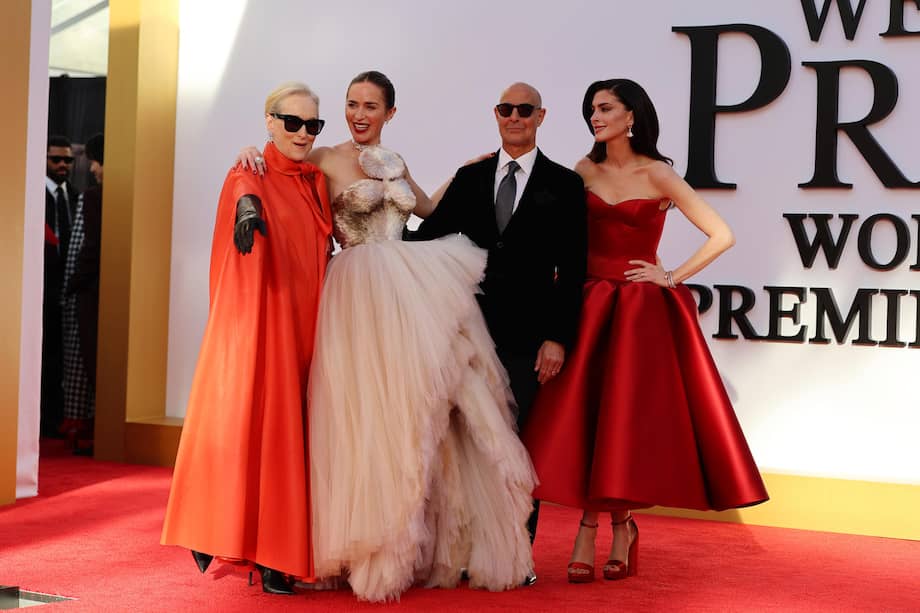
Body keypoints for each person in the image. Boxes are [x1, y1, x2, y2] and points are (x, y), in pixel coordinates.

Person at [239, 71, 537, 602]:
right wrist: (249, 153)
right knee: (361, 415)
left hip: (407, 290)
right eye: (352, 103)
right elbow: (283, 168)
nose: (359, 113)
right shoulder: (324, 155)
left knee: (417, 414)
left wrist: (464, 174)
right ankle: (356, 544)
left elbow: (425, 210)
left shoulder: (395, 161)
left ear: (390, 113)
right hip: (355, 291)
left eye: (371, 106)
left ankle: (414, 541)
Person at [522, 78, 769, 584]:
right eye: (591, 109)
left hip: (637, 313)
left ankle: (602, 530)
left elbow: (722, 234)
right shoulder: (582, 170)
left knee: (623, 425)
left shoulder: (658, 174)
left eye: (605, 108)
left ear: (631, 115)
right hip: (589, 304)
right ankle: (612, 527)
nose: (595, 116)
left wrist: (671, 275)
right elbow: (558, 239)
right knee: (590, 421)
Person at [161, 82, 333, 595]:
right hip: (270, 326)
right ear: (269, 121)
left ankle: (264, 545)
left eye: (313, 125)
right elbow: (244, 193)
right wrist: (246, 212)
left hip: (312, 325)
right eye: (292, 122)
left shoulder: (318, 181)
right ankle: (270, 556)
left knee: (296, 437)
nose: (302, 133)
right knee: (268, 434)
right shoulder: (249, 170)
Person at [412, 82, 589, 561]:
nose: (516, 117)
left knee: (517, 441)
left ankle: (514, 552)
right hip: (468, 330)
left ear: (541, 116)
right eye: (507, 109)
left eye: (525, 110)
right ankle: (467, 550)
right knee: (468, 440)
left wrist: (557, 337)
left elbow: (573, 270)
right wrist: (368, 234)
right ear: (496, 114)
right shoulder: (469, 179)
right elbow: (427, 238)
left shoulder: (565, 185)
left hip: (529, 337)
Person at [60, 133, 105, 454]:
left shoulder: (93, 198)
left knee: (85, 358)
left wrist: (72, 284)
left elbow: (89, 250)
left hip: (89, 293)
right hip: (105, 291)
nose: (92, 168)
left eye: (95, 160)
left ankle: (85, 428)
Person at [42, 135, 80, 439]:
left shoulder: (77, 196)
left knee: (62, 358)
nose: (63, 165)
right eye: (56, 159)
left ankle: (56, 418)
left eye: (68, 160)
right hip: (41, 289)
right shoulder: (34, 196)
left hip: (68, 293)